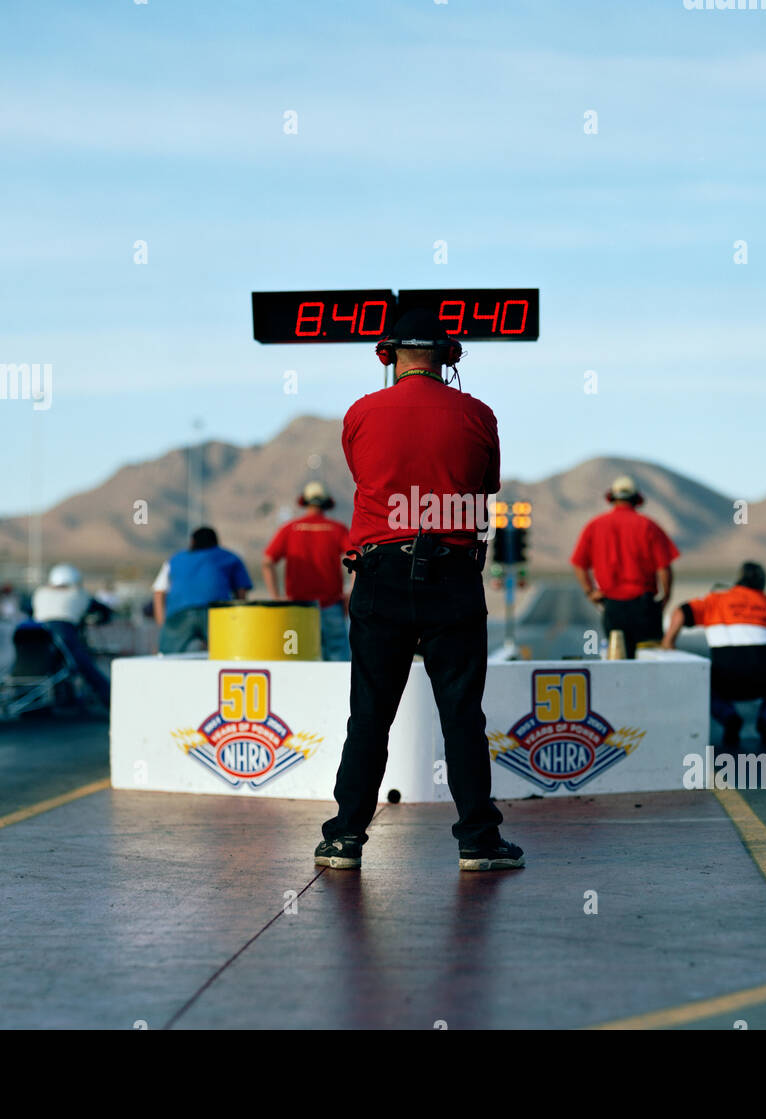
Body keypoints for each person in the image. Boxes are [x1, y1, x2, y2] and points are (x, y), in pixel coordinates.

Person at [316, 308, 523, 873]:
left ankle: (344, 838)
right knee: (461, 715)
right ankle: (478, 840)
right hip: (453, 577)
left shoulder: (360, 413)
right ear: (448, 356)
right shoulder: (477, 413)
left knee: (369, 715)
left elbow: (367, 475)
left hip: (380, 576)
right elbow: (484, 487)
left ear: (388, 356)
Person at [661, 561, 766, 748]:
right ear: (762, 584)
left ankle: (728, 717)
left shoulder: (716, 600)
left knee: (697, 677)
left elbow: (680, 612)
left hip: (727, 682)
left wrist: (668, 642)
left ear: (738, 580)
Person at [571, 475, 681, 658]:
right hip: (644, 606)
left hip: (612, 607)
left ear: (613, 498)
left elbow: (579, 563)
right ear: (636, 500)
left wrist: (590, 592)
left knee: (618, 660)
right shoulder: (649, 526)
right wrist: (666, 596)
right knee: (650, 660)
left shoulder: (595, 526)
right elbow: (664, 568)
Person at [262, 481, 351, 661]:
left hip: (298, 608)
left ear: (305, 502)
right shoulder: (338, 529)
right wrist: (350, 593)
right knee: (338, 662)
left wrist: (276, 596)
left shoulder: (290, 529)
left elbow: (267, 562)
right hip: (331, 606)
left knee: (299, 660)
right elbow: (358, 561)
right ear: (327, 503)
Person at [152, 526, 252, 653]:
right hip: (215, 613)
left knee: (167, 657)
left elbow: (159, 591)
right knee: (227, 652)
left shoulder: (175, 559)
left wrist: (163, 625)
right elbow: (241, 592)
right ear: (216, 542)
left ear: (192, 541)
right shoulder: (230, 558)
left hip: (179, 613)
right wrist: (237, 621)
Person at [31, 563, 113, 707]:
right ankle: (111, 701)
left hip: (35, 633)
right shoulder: (78, 593)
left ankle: (36, 702)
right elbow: (104, 611)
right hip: (63, 632)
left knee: (35, 668)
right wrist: (98, 620)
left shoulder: (40, 592)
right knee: (86, 668)